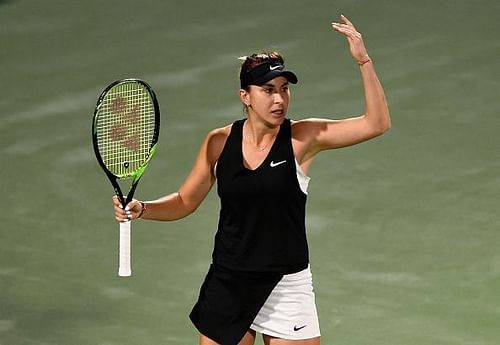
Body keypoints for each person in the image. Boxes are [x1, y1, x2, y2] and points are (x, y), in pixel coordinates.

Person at [113, 14, 390, 345]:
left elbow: (376, 123)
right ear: (245, 96)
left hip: (285, 284)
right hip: (229, 282)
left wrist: (364, 61)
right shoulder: (218, 142)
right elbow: (186, 201)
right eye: (268, 90)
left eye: (284, 90)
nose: (279, 100)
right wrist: (143, 208)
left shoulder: (303, 138)